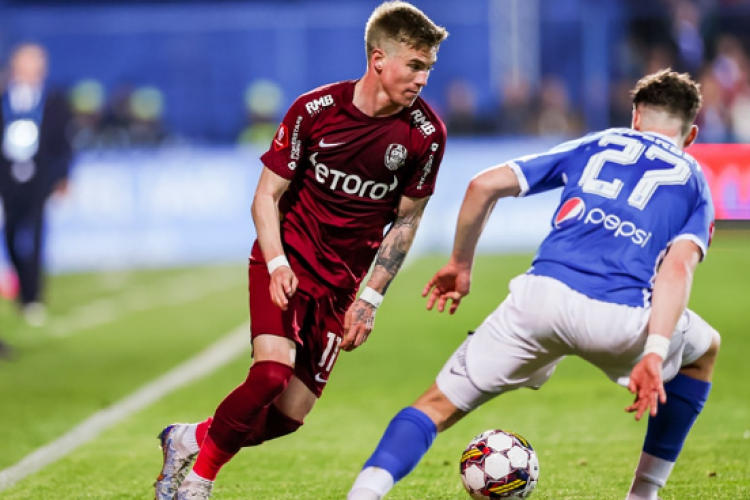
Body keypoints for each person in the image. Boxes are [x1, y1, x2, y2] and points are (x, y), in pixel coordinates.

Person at [346, 69, 720, 500]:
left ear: (635, 117)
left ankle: (363, 494)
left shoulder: (598, 143)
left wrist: (460, 265)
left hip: (538, 300)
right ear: (691, 134)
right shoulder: (694, 180)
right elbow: (677, 269)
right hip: (619, 319)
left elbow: (482, 185)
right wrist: (654, 351)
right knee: (705, 351)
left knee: (433, 407)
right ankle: (642, 495)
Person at [153, 2, 449, 499]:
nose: (423, 79)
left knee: (289, 416)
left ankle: (188, 439)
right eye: (415, 65)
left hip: (340, 287)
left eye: (429, 68)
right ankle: (198, 483)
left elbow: (406, 220)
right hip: (286, 263)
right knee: (270, 374)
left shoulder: (426, 135)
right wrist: (275, 262)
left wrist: (370, 299)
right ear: (379, 59)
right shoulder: (315, 111)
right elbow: (265, 196)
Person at [0, 42, 73, 326]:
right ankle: (21, 286)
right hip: (6, 178)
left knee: (34, 234)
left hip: (39, 179)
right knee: (10, 235)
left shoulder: (53, 100)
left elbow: (63, 142)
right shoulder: (4, 97)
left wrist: (63, 176)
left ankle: (32, 295)